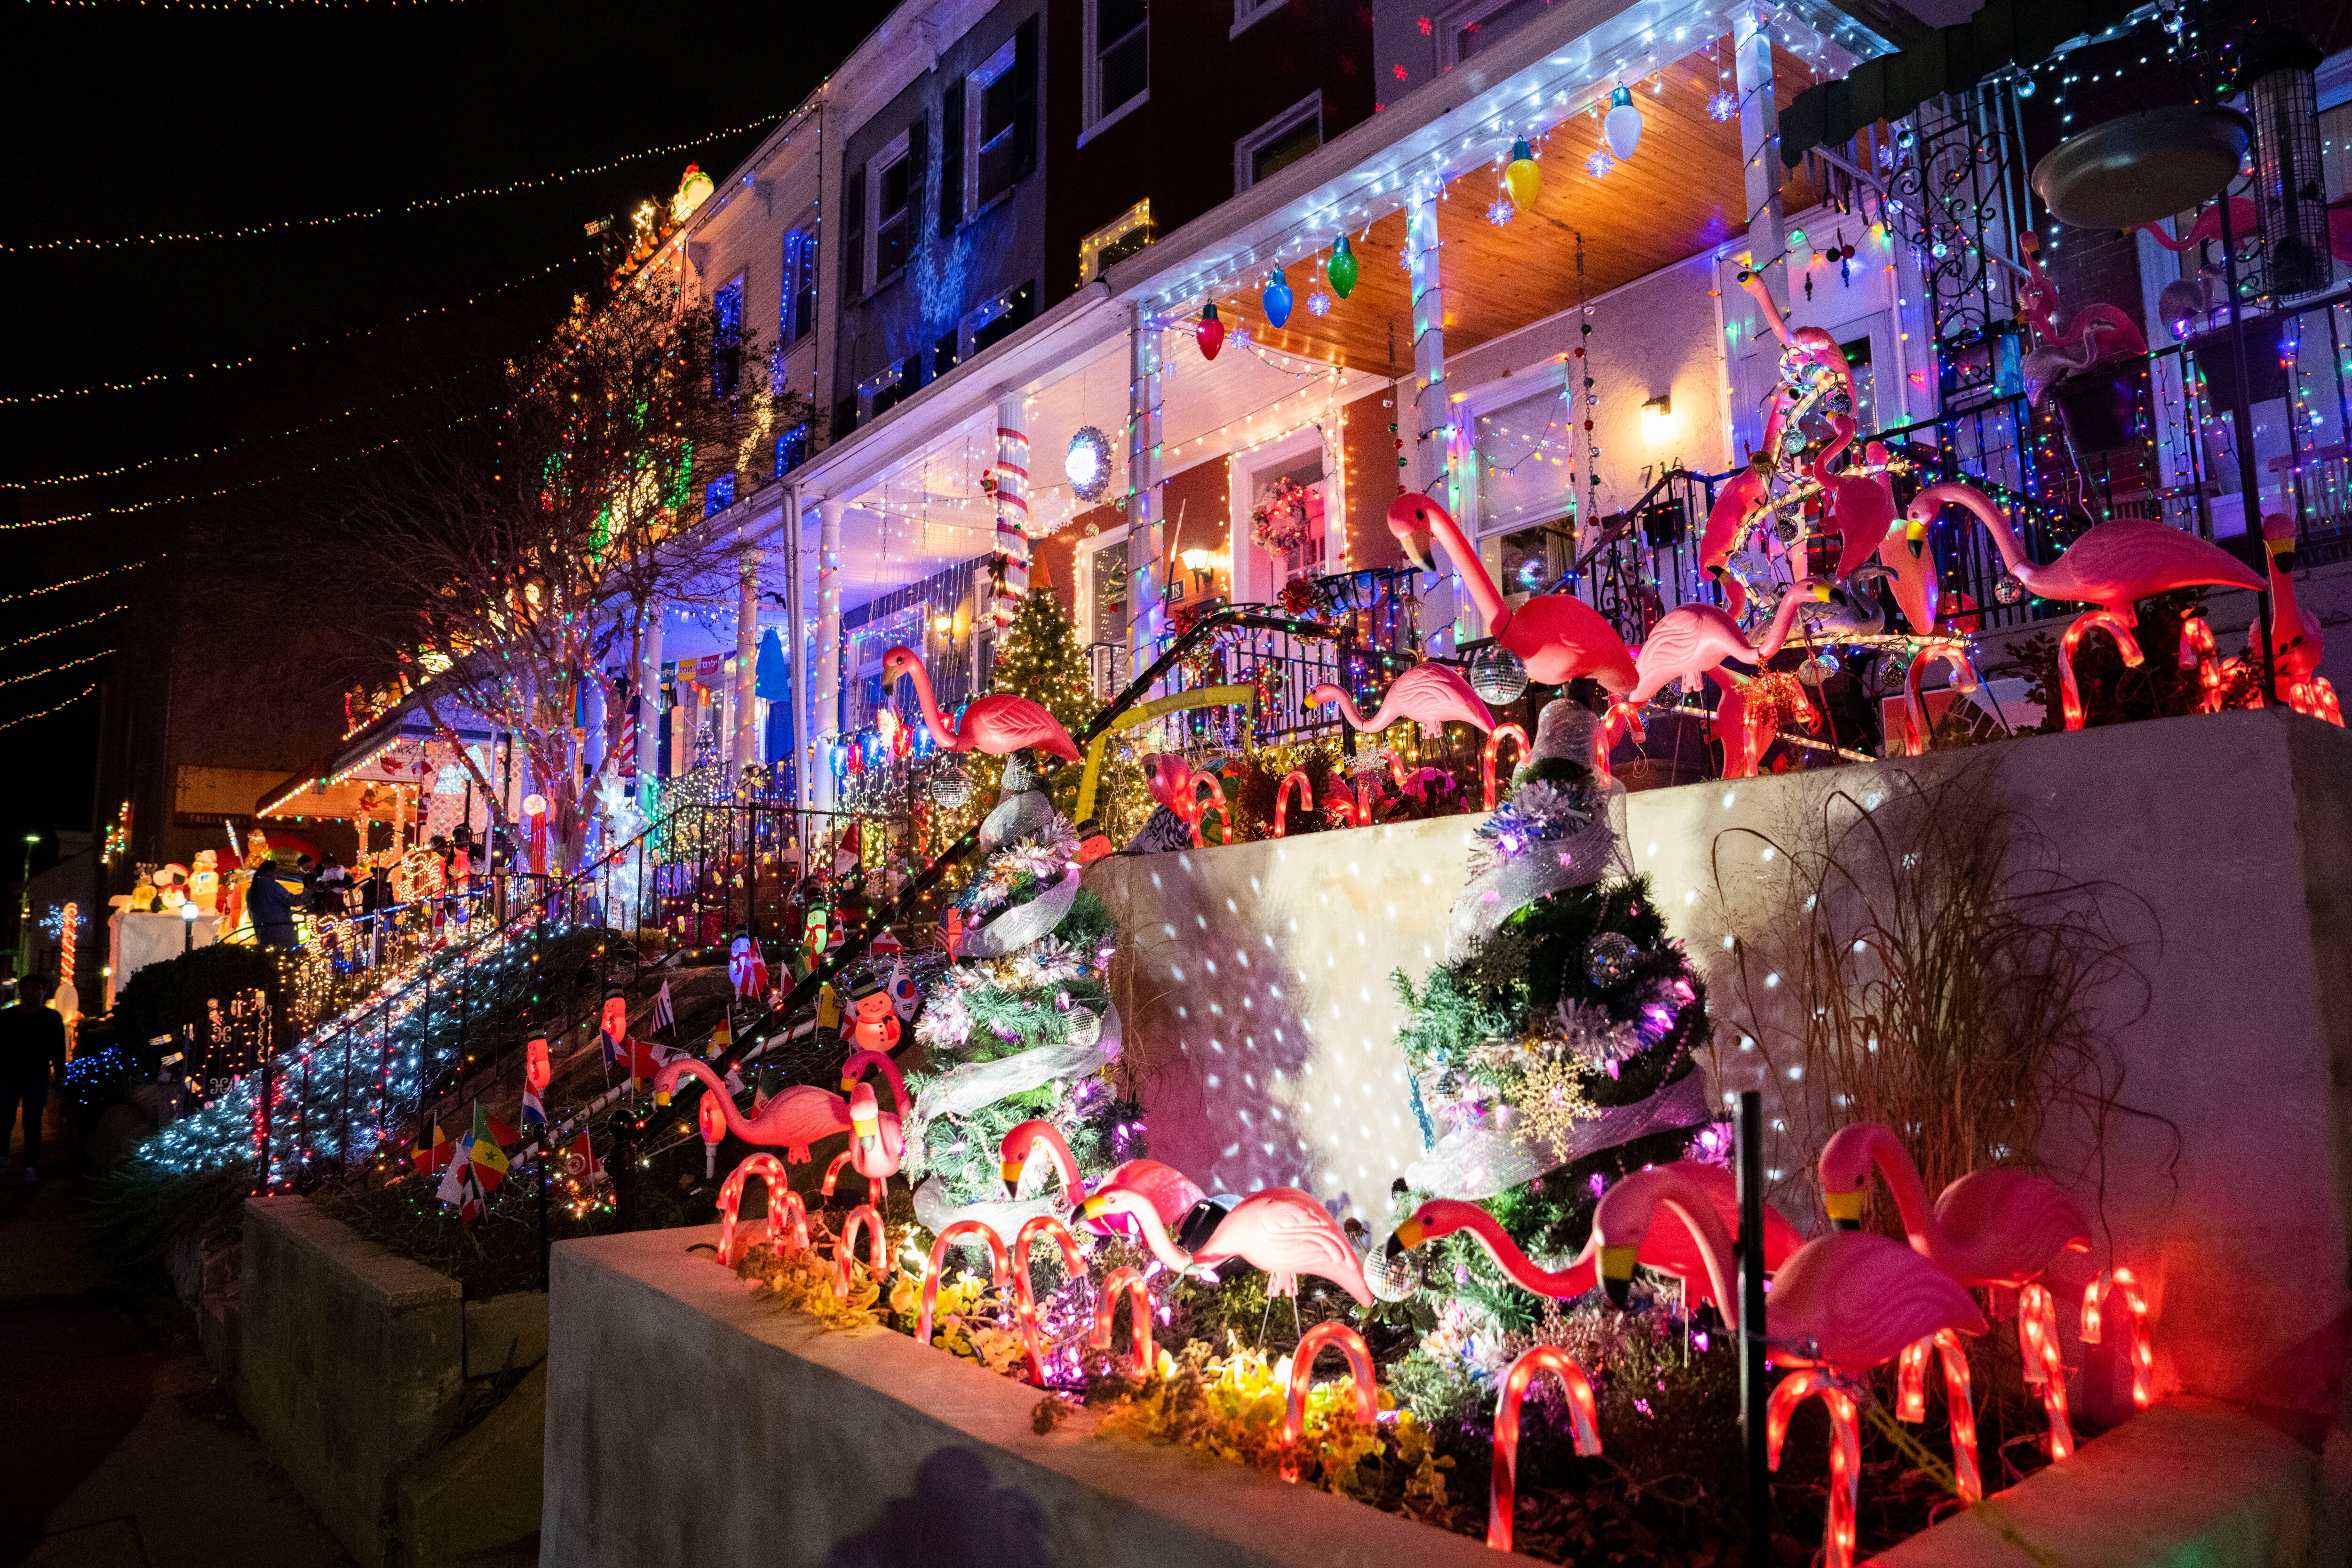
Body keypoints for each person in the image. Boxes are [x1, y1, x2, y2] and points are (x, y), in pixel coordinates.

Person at [0, 975, 69, 1182]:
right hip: (7, 1074)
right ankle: (3, 1158)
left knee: (33, 1121)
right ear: (22, 991)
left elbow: (58, 1049)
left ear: (44, 992)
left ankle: (30, 1165)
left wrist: (60, 1074)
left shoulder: (52, 1018)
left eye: (37, 988)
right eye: (28, 988)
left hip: (37, 1075)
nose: (32, 992)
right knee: (4, 1120)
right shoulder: (6, 1017)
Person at [246, 854, 313, 948]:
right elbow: (293, 900)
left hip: (262, 933)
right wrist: (310, 891)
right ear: (269, 872)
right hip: (280, 932)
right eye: (275, 872)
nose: (276, 875)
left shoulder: (251, 890)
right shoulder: (273, 886)